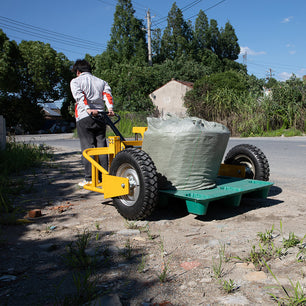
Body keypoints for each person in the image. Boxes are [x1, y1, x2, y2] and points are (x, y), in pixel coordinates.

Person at [70, 59, 114, 187]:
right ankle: (105, 175)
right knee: (101, 146)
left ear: (78, 71)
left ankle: (90, 178)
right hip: (101, 116)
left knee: (88, 147)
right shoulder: (101, 82)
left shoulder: (76, 81)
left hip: (85, 116)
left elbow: (80, 96)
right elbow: (107, 95)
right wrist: (110, 108)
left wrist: (88, 109)